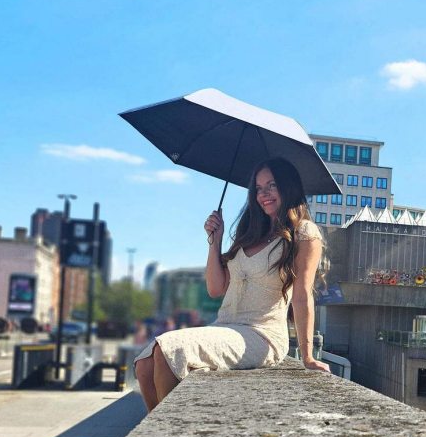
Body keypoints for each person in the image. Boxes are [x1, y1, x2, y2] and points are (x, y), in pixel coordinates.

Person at [134, 157, 330, 412]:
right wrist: (214, 242)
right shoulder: (251, 233)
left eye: (272, 185)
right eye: (258, 188)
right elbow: (216, 289)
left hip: (262, 334)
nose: (264, 194)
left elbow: (302, 295)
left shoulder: (304, 233)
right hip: (226, 327)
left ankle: (166, 429)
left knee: (169, 350)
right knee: (145, 363)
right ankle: (157, 426)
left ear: (288, 186)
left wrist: (308, 356)